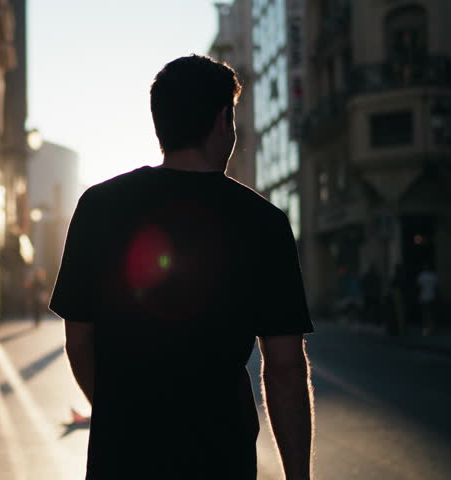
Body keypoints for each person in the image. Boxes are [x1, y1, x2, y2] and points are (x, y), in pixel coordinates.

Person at [49, 55, 314, 479]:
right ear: (224, 120)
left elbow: (79, 340)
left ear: (160, 122)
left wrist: (121, 414)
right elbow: (284, 366)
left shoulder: (99, 206)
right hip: (220, 454)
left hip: (122, 456)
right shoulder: (263, 222)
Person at [417, 263, 439, 336]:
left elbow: (419, 287)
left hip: (423, 297)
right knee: (432, 314)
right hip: (432, 297)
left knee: (425, 314)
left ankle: (426, 331)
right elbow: (436, 288)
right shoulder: (433, 276)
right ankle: (432, 329)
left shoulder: (422, 276)